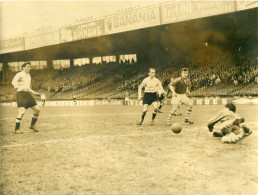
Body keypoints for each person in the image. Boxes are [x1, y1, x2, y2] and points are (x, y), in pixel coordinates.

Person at [11, 62, 41, 134]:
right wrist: (17, 86)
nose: (29, 68)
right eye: (28, 67)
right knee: (22, 112)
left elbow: (28, 88)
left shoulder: (29, 76)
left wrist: (35, 93)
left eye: (30, 67)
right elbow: (13, 81)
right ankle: (16, 129)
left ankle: (32, 126)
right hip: (20, 94)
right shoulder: (19, 74)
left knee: (37, 110)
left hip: (27, 94)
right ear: (23, 68)